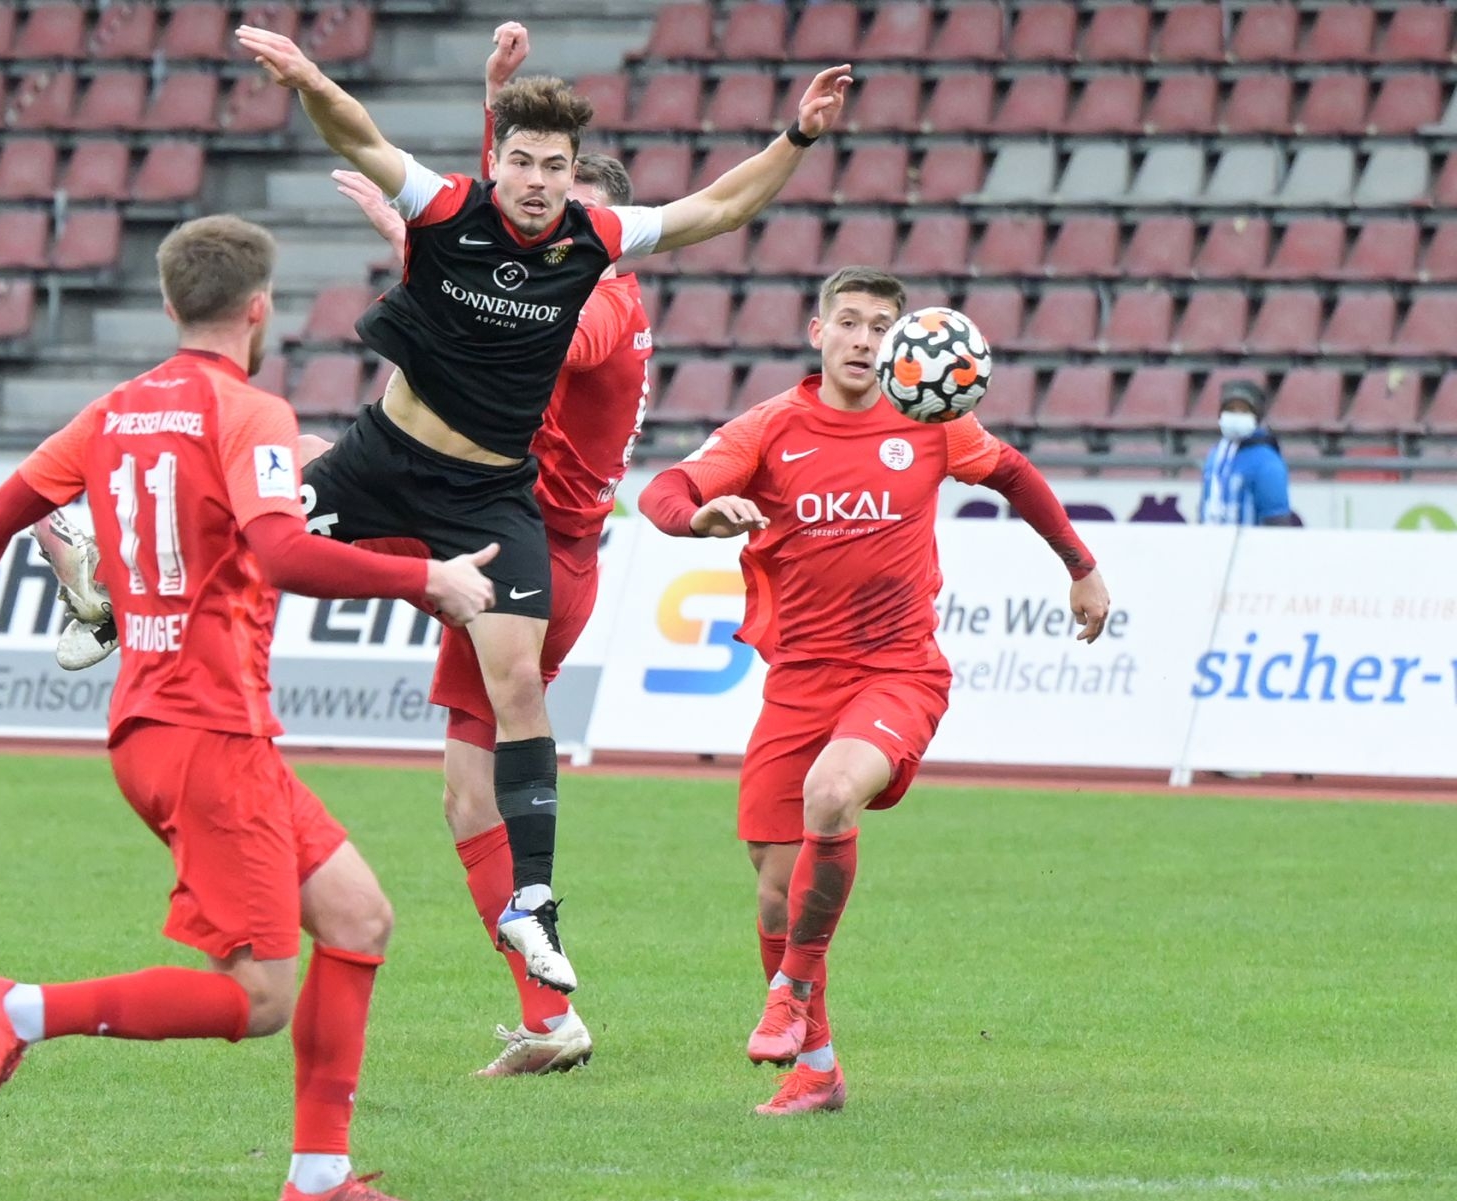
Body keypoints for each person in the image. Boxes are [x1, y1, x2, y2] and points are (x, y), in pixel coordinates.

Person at [0, 215, 500, 1201]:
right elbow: (283, 552)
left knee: (359, 919)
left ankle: (318, 1176)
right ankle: (21, 1009)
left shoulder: (113, 412)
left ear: (167, 304)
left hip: (172, 727)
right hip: (208, 735)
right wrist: (428, 579)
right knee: (259, 996)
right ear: (260, 308)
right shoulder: (250, 411)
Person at [237, 20, 852, 994]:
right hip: (388, 467)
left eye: (554, 167)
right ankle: (112, 587)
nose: (537, 180)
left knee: (510, 699)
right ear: (500, 164)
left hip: (494, 502)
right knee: (263, 511)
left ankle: (534, 905)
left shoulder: (596, 262)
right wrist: (312, 77)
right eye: (520, 161)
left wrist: (799, 136)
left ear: (573, 179)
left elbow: (720, 206)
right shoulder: (457, 205)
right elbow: (360, 134)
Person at [637, 268, 1112, 1117]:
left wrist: (1082, 566)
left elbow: (1015, 475)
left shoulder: (929, 419)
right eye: (848, 322)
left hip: (898, 671)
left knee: (831, 794)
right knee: (774, 888)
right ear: (817, 332)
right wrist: (700, 518)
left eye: (880, 326)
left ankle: (790, 991)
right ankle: (817, 1070)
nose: (863, 339)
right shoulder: (770, 428)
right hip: (797, 681)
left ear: (902, 342)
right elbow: (663, 491)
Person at [316, 23, 655, 1076]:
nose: (537, 210)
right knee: (288, 506)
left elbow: (522, 320)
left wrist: (419, 252)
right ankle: (549, 1016)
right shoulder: (544, 256)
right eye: (524, 180)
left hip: (524, 546)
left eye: (560, 197)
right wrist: (485, 119)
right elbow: (487, 252)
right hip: (478, 516)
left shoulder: (602, 296)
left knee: (472, 795)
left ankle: (551, 1011)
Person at [1199, 379, 1301, 527]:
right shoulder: (1216, 455)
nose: (1236, 415)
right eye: (1230, 409)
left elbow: (1277, 520)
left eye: (1244, 411)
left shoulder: (1267, 461)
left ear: (1256, 416)